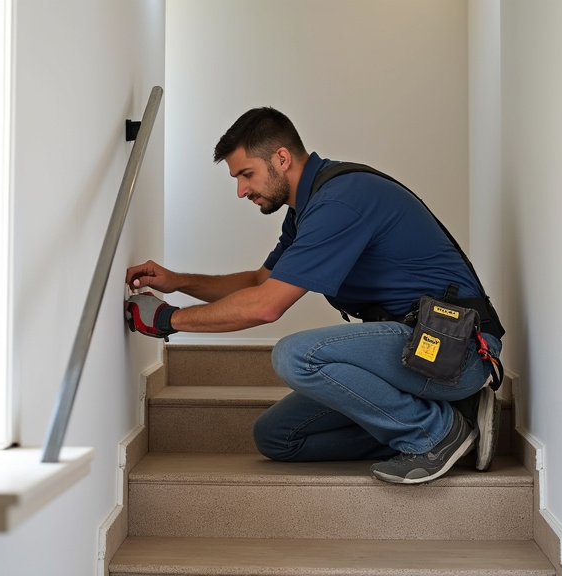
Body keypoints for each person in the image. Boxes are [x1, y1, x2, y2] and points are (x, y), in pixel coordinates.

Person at [124, 107, 503, 484]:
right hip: (411, 353)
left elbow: (266, 306)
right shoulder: (307, 208)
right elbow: (260, 282)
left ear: (281, 158)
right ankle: (455, 415)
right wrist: (178, 281)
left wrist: (167, 320)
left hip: (454, 352)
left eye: (246, 174)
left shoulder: (340, 202)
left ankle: (434, 433)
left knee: (296, 355)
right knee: (277, 437)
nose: (241, 191)